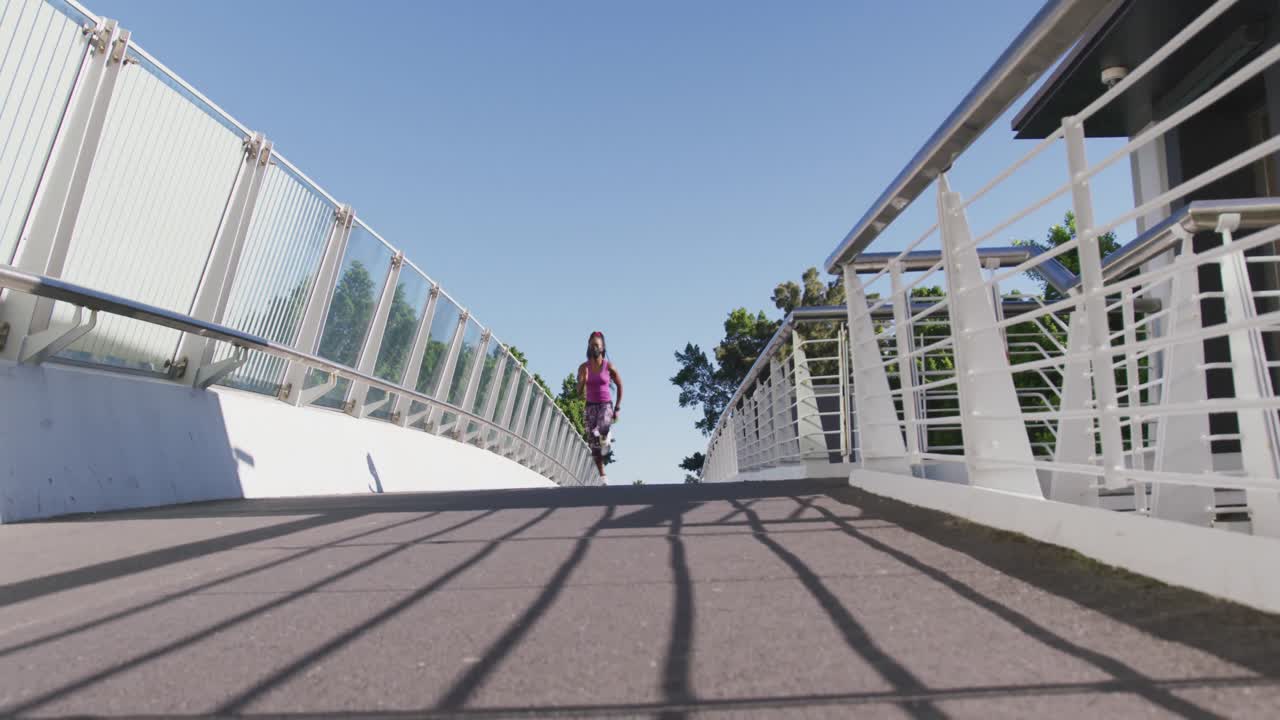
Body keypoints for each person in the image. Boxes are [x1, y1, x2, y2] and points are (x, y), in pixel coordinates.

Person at [577, 331, 623, 485]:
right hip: (590, 406)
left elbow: (620, 385)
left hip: (605, 404)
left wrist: (617, 407)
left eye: (596, 345)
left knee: (602, 427)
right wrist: (583, 381)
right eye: (591, 345)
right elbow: (578, 393)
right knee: (594, 446)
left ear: (602, 348)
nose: (593, 348)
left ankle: (605, 436)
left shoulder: (609, 366)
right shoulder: (584, 367)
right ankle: (603, 475)